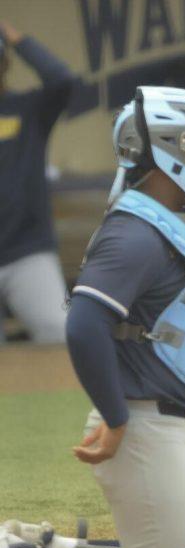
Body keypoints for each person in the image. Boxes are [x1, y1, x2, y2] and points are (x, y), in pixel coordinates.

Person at [65, 86, 185, 548]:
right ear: (171, 148)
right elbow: (84, 324)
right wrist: (117, 418)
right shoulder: (134, 232)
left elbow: (166, 331)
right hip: (148, 433)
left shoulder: (183, 225)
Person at [0, 21, 75, 344]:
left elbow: (63, 81)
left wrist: (16, 38)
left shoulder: (26, 108)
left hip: (26, 250)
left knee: (61, 334)